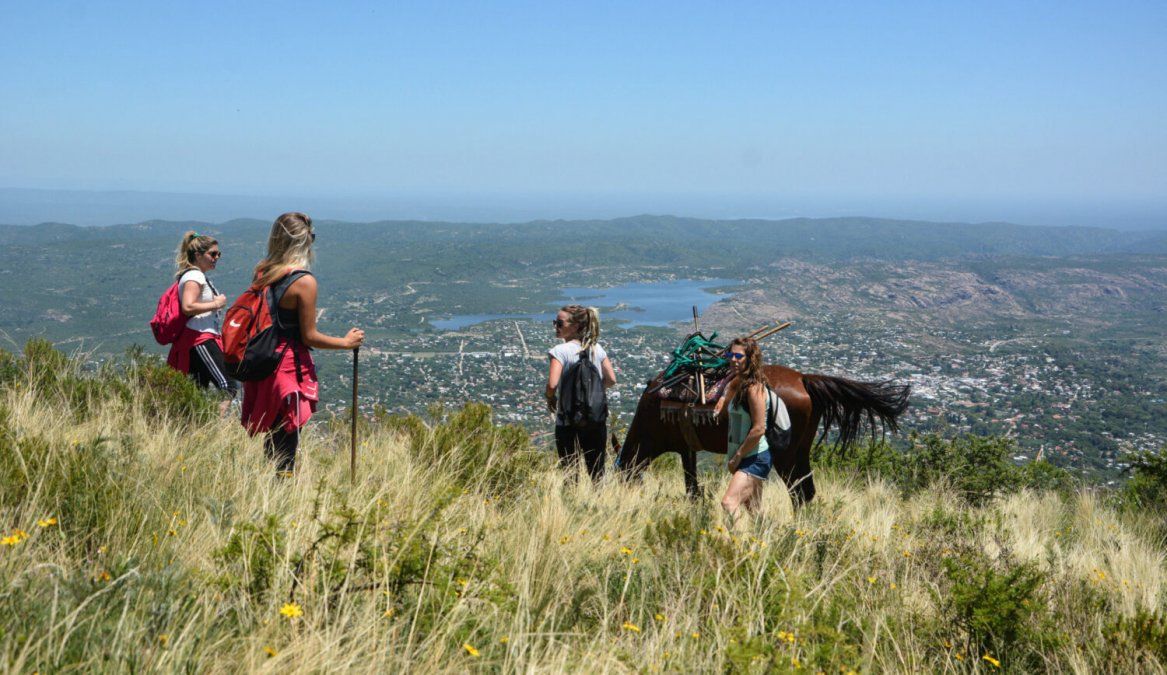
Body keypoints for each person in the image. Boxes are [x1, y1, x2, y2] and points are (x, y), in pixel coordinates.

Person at [240, 212, 364, 475]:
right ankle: (282, 493)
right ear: (303, 241)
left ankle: (269, 488)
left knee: (274, 438)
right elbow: (309, 336)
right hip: (288, 369)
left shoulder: (263, 272)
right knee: (287, 442)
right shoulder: (303, 282)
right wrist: (346, 342)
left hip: (263, 363)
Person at [545, 305, 617, 481]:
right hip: (595, 420)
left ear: (576, 326)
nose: (556, 326)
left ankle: (573, 498)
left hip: (567, 421)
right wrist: (593, 393)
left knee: (570, 473)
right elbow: (611, 380)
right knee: (597, 473)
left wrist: (550, 397)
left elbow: (552, 384)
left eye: (560, 323)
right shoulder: (596, 349)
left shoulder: (560, 351)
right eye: (555, 322)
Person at [167, 231, 237, 409]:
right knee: (228, 386)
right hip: (199, 339)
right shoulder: (194, 276)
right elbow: (188, 306)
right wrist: (216, 303)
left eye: (218, 254)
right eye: (212, 254)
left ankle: (193, 424)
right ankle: (213, 423)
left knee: (196, 392)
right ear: (198, 255)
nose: (216, 258)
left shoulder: (195, 275)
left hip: (196, 340)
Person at [713, 337, 771, 518]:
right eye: (730, 355)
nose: (733, 359)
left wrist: (737, 457)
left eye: (739, 356)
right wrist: (723, 398)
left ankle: (738, 538)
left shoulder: (754, 389)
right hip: (749, 456)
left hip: (754, 458)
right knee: (755, 512)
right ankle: (767, 536)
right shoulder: (740, 383)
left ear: (750, 358)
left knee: (729, 503)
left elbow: (759, 428)